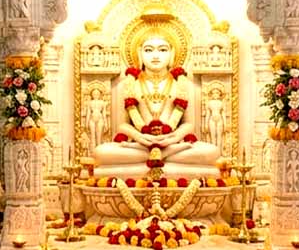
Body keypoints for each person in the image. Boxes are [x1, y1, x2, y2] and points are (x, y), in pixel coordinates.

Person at [91, 30, 222, 177]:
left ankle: (162, 154)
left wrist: (174, 137)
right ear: (140, 53)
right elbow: (123, 125)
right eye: (148, 50)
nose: (155, 55)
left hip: (173, 143)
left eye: (162, 50)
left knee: (212, 152)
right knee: (100, 152)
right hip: (139, 145)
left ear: (172, 53)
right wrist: (140, 137)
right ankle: (162, 156)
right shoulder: (128, 84)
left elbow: (189, 125)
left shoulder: (183, 84)